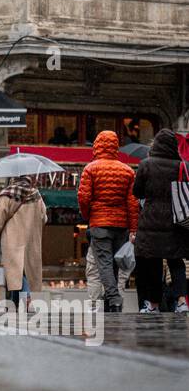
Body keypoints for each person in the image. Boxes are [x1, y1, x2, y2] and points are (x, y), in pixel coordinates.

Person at [76, 130, 138, 314]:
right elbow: (132, 203)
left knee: (103, 263)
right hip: (121, 225)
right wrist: (133, 228)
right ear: (115, 146)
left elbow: (83, 197)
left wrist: (88, 215)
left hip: (100, 223)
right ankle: (111, 300)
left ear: (97, 145)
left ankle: (113, 298)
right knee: (114, 264)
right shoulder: (127, 170)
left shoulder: (91, 168)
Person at [131, 129, 189, 316]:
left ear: (155, 144)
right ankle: (181, 302)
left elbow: (137, 192)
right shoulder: (183, 166)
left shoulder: (146, 165)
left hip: (152, 220)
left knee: (153, 262)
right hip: (176, 220)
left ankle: (154, 304)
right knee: (176, 261)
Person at [0, 173, 47, 310]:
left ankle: (25, 298)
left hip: (13, 241)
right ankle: (18, 305)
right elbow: (44, 218)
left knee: (16, 275)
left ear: (13, 179)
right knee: (24, 273)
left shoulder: (7, 195)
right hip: (31, 242)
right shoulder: (36, 195)